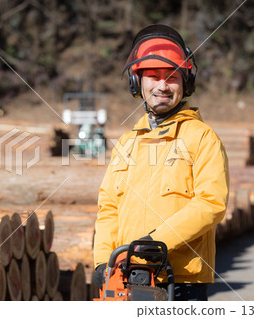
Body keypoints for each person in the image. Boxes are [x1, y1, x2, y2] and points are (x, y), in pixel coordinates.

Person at [92, 24, 229, 301]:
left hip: (180, 281)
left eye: (172, 77)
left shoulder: (202, 138)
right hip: (126, 277)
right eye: (153, 76)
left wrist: (156, 242)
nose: (162, 86)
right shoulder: (127, 143)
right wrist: (101, 260)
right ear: (137, 82)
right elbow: (109, 207)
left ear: (185, 83)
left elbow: (211, 202)